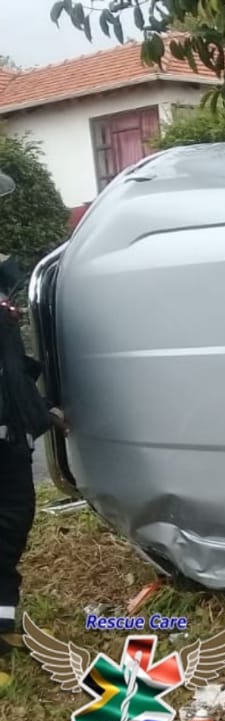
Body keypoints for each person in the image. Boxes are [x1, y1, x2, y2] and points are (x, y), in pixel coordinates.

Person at [0, 251, 67, 656]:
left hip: (9, 442)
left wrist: (42, 411)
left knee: (11, 526)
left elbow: (12, 370)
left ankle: (2, 632)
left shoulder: (4, 290)